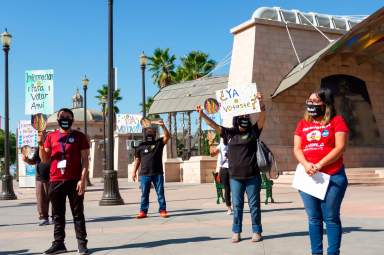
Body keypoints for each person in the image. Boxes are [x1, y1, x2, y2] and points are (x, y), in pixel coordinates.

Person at [196, 91, 266, 243]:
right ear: (236, 120)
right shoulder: (228, 133)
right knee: (237, 206)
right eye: (241, 117)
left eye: (246, 117)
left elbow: (261, 119)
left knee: (254, 205)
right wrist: (202, 115)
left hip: (253, 175)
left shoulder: (253, 131)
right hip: (235, 177)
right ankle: (236, 231)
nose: (244, 119)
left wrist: (261, 103)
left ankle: (257, 231)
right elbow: (212, 125)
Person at [294, 89, 349, 255]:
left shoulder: (337, 121)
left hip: (333, 176)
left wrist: (319, 164)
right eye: (309, 101)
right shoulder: (302, 124)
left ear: (326, 104)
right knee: (314, 219)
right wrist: (306, 164)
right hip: (308, 177)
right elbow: (297, 148)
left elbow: (340, 147)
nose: (311, 104)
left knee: (331, 218)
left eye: (315, 101)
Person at [39, 108, 90, 255]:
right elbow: (44, 159)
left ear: (72, 120)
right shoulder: (51, 136)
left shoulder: (79, 136)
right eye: (62, 116)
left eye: (68, 117)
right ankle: (59, 243)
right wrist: (41, 143)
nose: (65, 119)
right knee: (58, 215)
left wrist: (82, 180)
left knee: (78, 213)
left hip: (74, 180)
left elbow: (85, 160)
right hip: (55, 180)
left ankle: (82, 244)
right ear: (58, 119)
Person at [132, 119, 170, 219]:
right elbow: (137, 160)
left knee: (160, 193)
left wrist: (163, 126)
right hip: (144, 174)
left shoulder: (159, 143)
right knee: (144, 194)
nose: (150, 132)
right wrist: (134, 172)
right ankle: (143, 212)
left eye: (152, 131)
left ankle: (163, 210)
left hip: (158, 173)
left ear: (155, 133)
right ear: (144, 132)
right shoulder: (140, 146)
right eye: (148, 131)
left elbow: (167, 136)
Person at [22, 140, 51, 226]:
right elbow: (34, 160)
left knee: (55, 198)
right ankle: (44, 218)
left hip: (53, 177)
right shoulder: (39, 147)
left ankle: (55, 216)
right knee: (41, 199)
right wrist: (27, 160)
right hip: (40, 177)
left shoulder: (54, 146)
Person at [209, 137, 232, 215]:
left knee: (236, 188)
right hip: (224, 169)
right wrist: (210, 145)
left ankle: (236, 206)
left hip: (234, 169)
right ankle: (229, 207)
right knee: (227, 189)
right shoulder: (221, 145)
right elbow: (212, 154)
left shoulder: (234, 143)